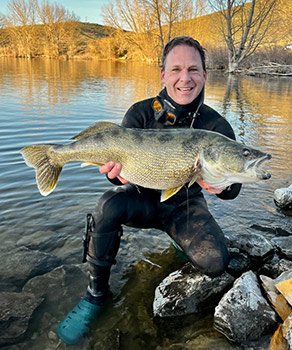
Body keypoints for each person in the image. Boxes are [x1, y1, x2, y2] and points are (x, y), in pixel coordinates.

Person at [57, 36, 242, 345]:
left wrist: (223, 188)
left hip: (183, 204)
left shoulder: (217, 127)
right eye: (177, 69)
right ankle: (95, 295)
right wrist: (114, 177)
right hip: (140, 198)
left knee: (215, 262)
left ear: (205, 75)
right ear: (163, 74)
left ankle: (178, 238)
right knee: (107, 206)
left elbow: (233, 188)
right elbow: (117, 176)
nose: (185, 78)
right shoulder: (139, 113)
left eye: (194, 69)